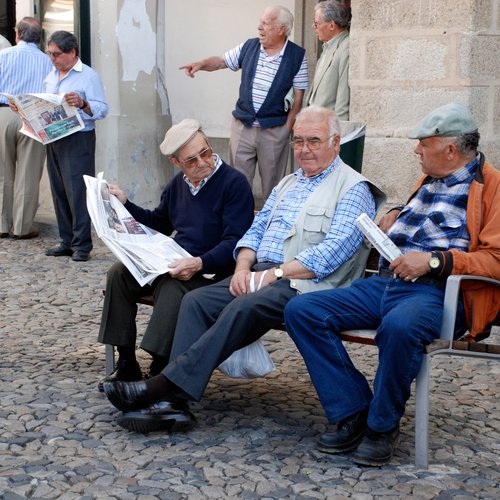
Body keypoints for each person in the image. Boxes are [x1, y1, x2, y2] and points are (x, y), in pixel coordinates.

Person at [102, 105, 386, 433]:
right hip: (261, 273)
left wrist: (272, 274)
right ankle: (173, 405)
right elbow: (255, 230)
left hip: (305, 283)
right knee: (196, 301)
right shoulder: (288, 184)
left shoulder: (353, 188)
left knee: (244, 304)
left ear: (335, 143)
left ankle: (161, 389)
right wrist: (242, 268)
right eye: (298, 141)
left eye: (314, 141)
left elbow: (330, 254)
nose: (304, 150)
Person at [283, 102, 500, 467]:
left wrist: (433, 261)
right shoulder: (431, 177)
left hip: (436, 293)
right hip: (386, 284)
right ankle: (354, 410)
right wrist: (397, 214)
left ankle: (381, 428)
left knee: (400, 327)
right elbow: (429, 218)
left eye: (423, 143)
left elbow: (495, 259)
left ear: (450, 149)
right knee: (302, 310)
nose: (416, 150)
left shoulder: (491, 188)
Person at [98, 119, 255, 389]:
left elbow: (236, 242)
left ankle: (160, 369)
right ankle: (126, 363)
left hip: (212, 270)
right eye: (191, 160)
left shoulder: (234, 183)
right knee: (119, 274)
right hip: (179, 261)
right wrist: (126, 205)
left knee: (172, 285)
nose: (203, 162)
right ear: (176, 163)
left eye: (205, 152)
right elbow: (160, 221)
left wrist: (199, 262)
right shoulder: (177, 185)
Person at [180, 5, 308, 199]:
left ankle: (269, 226)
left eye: (265, 24)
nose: (259, 28)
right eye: (260, 22)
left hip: (274, 130)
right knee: (237, 183)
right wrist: (201, 64)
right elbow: (222, 61)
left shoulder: (297, 56)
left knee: (273, 187)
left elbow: (299, 97)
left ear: (281, 29)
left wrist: (286, 129)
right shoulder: (250, 46)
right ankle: (239, 225)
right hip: (243, 127)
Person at [43, 31, 108, 262]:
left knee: (78, 192)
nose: (52, 59)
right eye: (50, 54)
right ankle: (67, 240)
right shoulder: (51, 75)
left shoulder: (88, 76)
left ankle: (82, 245)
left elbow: (102, 109)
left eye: (56, 54)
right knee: (59, 190)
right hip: (54, 136)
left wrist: (83, 103)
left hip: (78, 138)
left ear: (72, 52)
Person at [0, 17, 53, 239]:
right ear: (39, 38)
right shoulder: (47, 61)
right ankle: (21, 228)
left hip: (3, 113)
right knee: (28, 174)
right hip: (33, 115)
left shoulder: (3, 56)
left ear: (17, 34)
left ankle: (2, 225)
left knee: (3, 173)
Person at [306, 1, 351, 120]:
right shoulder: (328, 46)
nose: (313, 27)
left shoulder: (345, 47)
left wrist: (339, 133)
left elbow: (343, 99)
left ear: (331, 25)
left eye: (316, 23)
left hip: (328, 128)